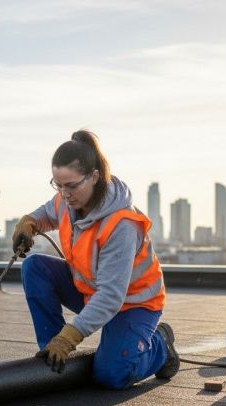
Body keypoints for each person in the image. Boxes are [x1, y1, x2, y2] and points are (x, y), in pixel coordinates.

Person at [11, 129, 179, 389]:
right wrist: (29, 223)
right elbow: (46, 213)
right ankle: (52, 357)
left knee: (112, 375)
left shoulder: (121, 224)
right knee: (34, 266)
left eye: (71, 185)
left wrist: (70, 337)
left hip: (133, 304)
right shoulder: (68, 200)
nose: (64, 194)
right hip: (90, 292)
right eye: (58, 185)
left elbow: (111, 296)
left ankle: (160, 345)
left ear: (94, 177)